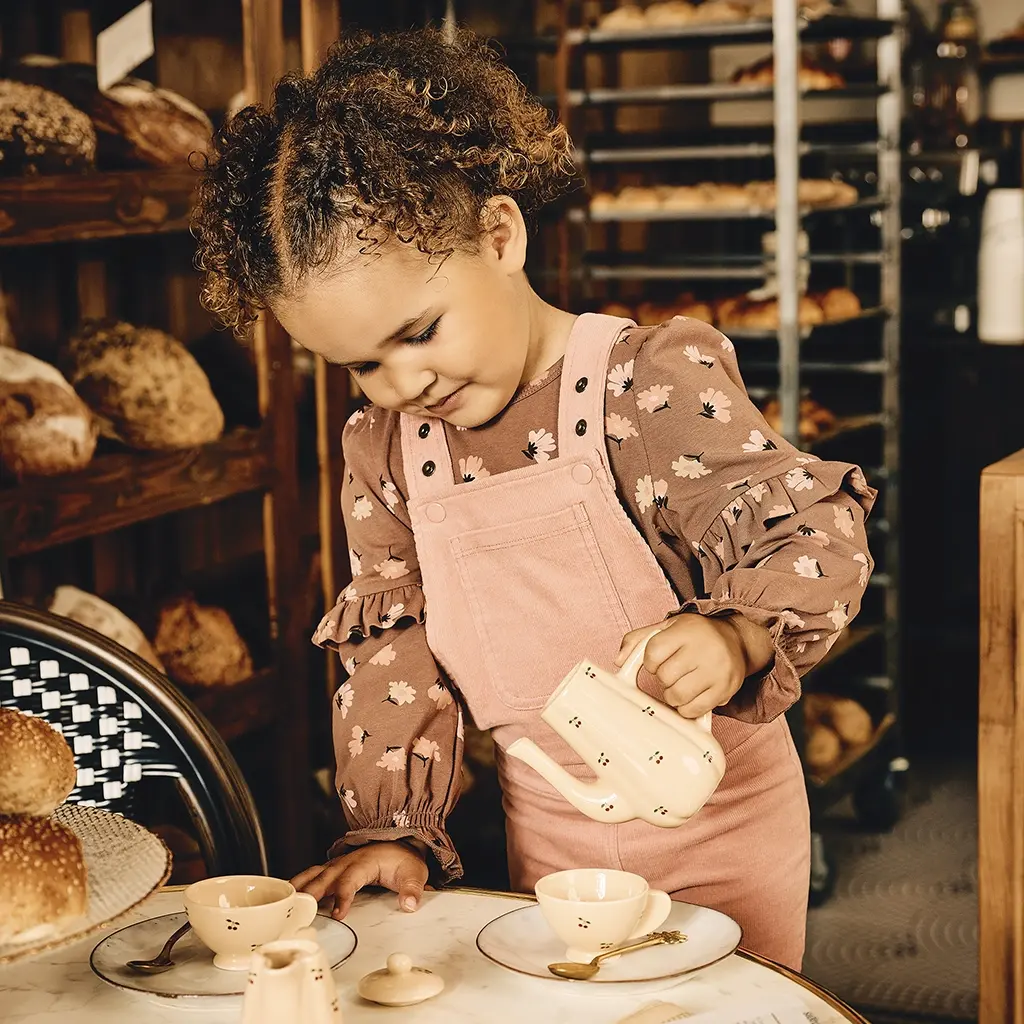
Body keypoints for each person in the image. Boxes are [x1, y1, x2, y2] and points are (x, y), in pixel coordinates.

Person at [192, 27, 875, 970]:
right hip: (550, 854)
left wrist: (737, 634)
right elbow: (396, 652)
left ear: (500, 236)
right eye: (363, 364)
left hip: (724, 835)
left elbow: (809, 530)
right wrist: (392, 827)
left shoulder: (647, 385)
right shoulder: (386, 449)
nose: (404, 382)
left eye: (420, 331)